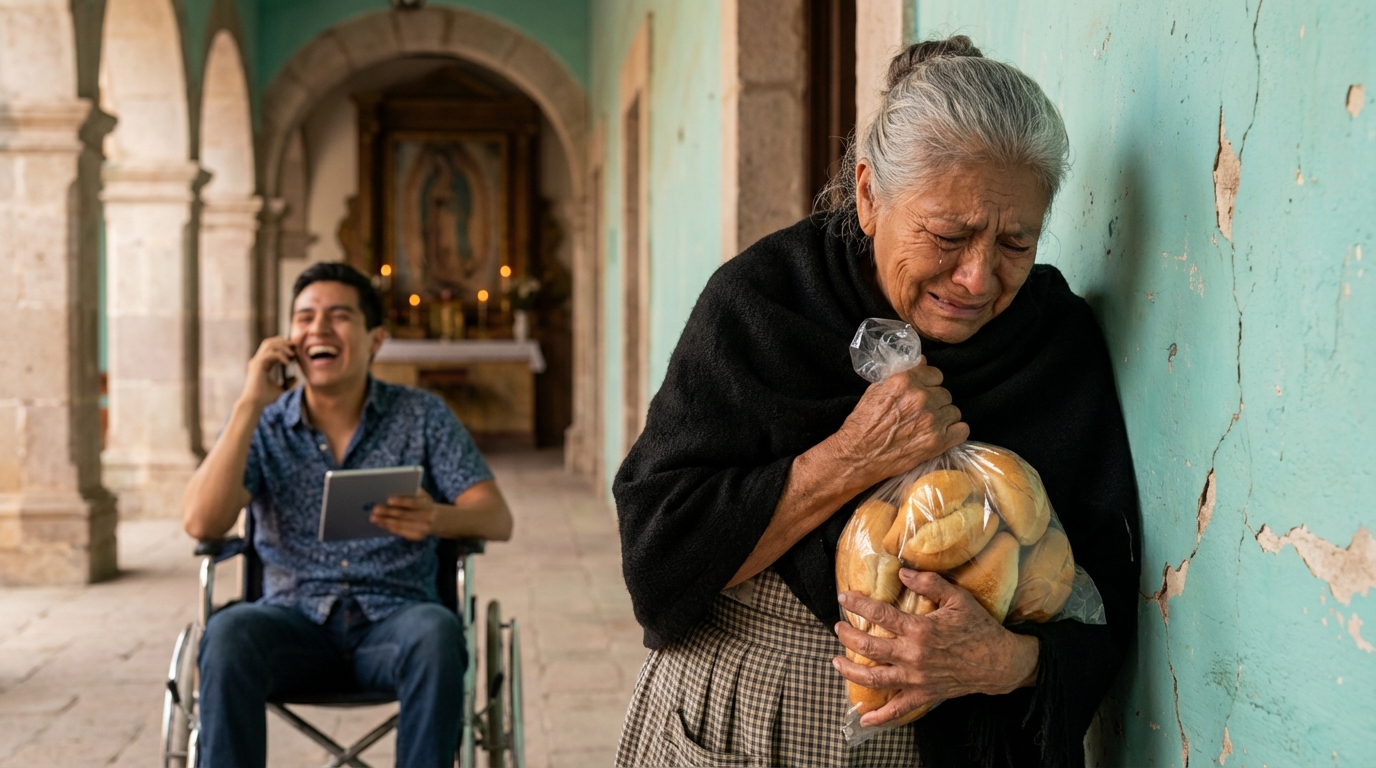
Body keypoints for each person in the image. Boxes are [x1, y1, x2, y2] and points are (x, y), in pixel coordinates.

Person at [614, 36, 1140, 767]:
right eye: (949, 236)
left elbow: (1106, 591)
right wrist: (853, 457)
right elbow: (658, 557)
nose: (978, 278)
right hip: (755, 722)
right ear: (868, 194)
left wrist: (1005, 662)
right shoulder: (766, 302)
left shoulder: (1053, 344)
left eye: (1016, 243)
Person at [183, 262, 513, 768]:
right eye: (305, 317)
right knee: (228, 634)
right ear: (290, 338)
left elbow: (496, 517)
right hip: (291, 625)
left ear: (375, 339)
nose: (318, 328)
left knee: (437, 633)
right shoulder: (264, 426)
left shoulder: (421, 416)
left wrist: (436, 519)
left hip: (395, 623)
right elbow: (201, 524)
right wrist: (249, 404)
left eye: (338, 317)